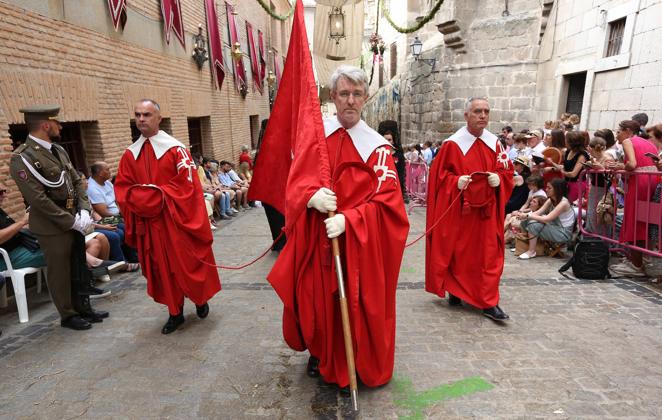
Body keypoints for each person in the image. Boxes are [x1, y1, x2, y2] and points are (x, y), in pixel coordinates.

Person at [267, 66, 409, 391]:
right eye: (344, 93)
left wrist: (351, 219)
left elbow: (390, 207)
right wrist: (309, 197)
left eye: (356, 94)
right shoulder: (316, 141)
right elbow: (294, 184)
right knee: (316, 304)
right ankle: (319, 353)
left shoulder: (378, 151)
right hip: (318, 242)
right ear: (333, 97)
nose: (350, 100)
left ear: (365, 98)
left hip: (357, 249)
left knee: (351, 303)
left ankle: (349, 359)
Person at [114, 99, 221, 334]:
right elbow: (123, 189)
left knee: (187, 264)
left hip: (176, 222)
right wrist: (148, 200)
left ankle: (200, 299)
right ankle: (175, 312)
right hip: (151, 226)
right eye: (138, 115)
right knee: (162, 270)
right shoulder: (130, 155)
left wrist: (152, 197)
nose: (141, 119)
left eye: (147, 115)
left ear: (158, 119)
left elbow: (187, 187)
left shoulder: (176, 150)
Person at [9, 104, 106, 330]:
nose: (60, 126)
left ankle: (84, 307)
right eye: (56, 122)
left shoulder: (58, 150)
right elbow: (37, 200)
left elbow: (76, 181)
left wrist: (83, 210)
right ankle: (68, 314)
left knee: (78, 264)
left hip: (74, 218)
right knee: (60, 271)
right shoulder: (22, 158)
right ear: (45, 125)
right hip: (52, 225)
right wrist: (70, 221)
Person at [425, 97, 514, 321]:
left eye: (486, 111)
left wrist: (499, 179)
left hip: (486, 212)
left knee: (488, 255)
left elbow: (507, 171)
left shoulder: (496, 144)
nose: (482, 115)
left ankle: (488, 301)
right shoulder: (452, 145)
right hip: (461, 212)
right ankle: (456, 290)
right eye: (477, 111)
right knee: (459, 253)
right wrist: (454, 182)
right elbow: (439, 178)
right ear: (467, 115)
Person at [608, 120, 658, 277]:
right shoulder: (648, 142)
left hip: (640, 183)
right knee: (645, 221)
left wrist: (618, 166)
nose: (617, 134)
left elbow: (632, 164)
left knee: (635, 221)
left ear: (628, 131)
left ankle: (636, 265)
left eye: (619, 131)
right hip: (652, 182)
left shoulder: (628, 141)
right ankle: (641, 259)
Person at [518, 179, 575, 259]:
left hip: (563, 234)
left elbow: (547, 219)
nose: (546, 189)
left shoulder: (563, 203)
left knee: (533, 224)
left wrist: (528, 215)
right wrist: (523, 215)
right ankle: (521, 246)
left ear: (557, 189)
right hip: (554, 228)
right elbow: (537, 213)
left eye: (549, 188)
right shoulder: (550, 200)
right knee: (525, 221)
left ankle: (531, 252)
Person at [378, 120, 407, 203]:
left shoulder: (399, 155)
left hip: (394, 190)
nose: (387, 142)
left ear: (393, 140)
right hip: (381, 191)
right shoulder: (377, 154)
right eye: (385, 139)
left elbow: (401, 175)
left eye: (389, 140)